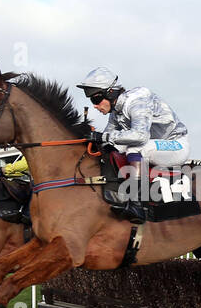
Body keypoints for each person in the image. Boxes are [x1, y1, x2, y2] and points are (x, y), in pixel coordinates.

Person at [77, 67, 190, 223]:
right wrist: (91, 138)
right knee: (114, 147)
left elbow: (140, 136)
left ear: (110, 93)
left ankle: (137, 204)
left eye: (96, 100)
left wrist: (102, 137)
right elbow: (108, 139)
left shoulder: (136, 102)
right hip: (153, 146)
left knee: (135, 147)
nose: (95, 106)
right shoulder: (116, 112)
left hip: (176, 145)